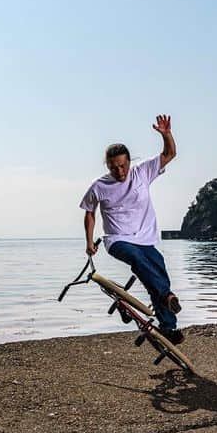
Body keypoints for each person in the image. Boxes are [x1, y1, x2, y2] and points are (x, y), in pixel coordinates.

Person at [79, 114, 184, 344]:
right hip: (117, 240)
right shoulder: (99, 186)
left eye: (123, 165)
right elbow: (89, 212)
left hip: (146, 239)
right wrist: (89, 242)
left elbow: (169, 154)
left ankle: (169, 327)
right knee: (138, 260)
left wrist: (166, 135)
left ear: (129, 161)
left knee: (158, 270)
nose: (120, 171)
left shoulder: (141, 172)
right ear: (108, 165)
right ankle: (166, 296)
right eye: (114, 167)